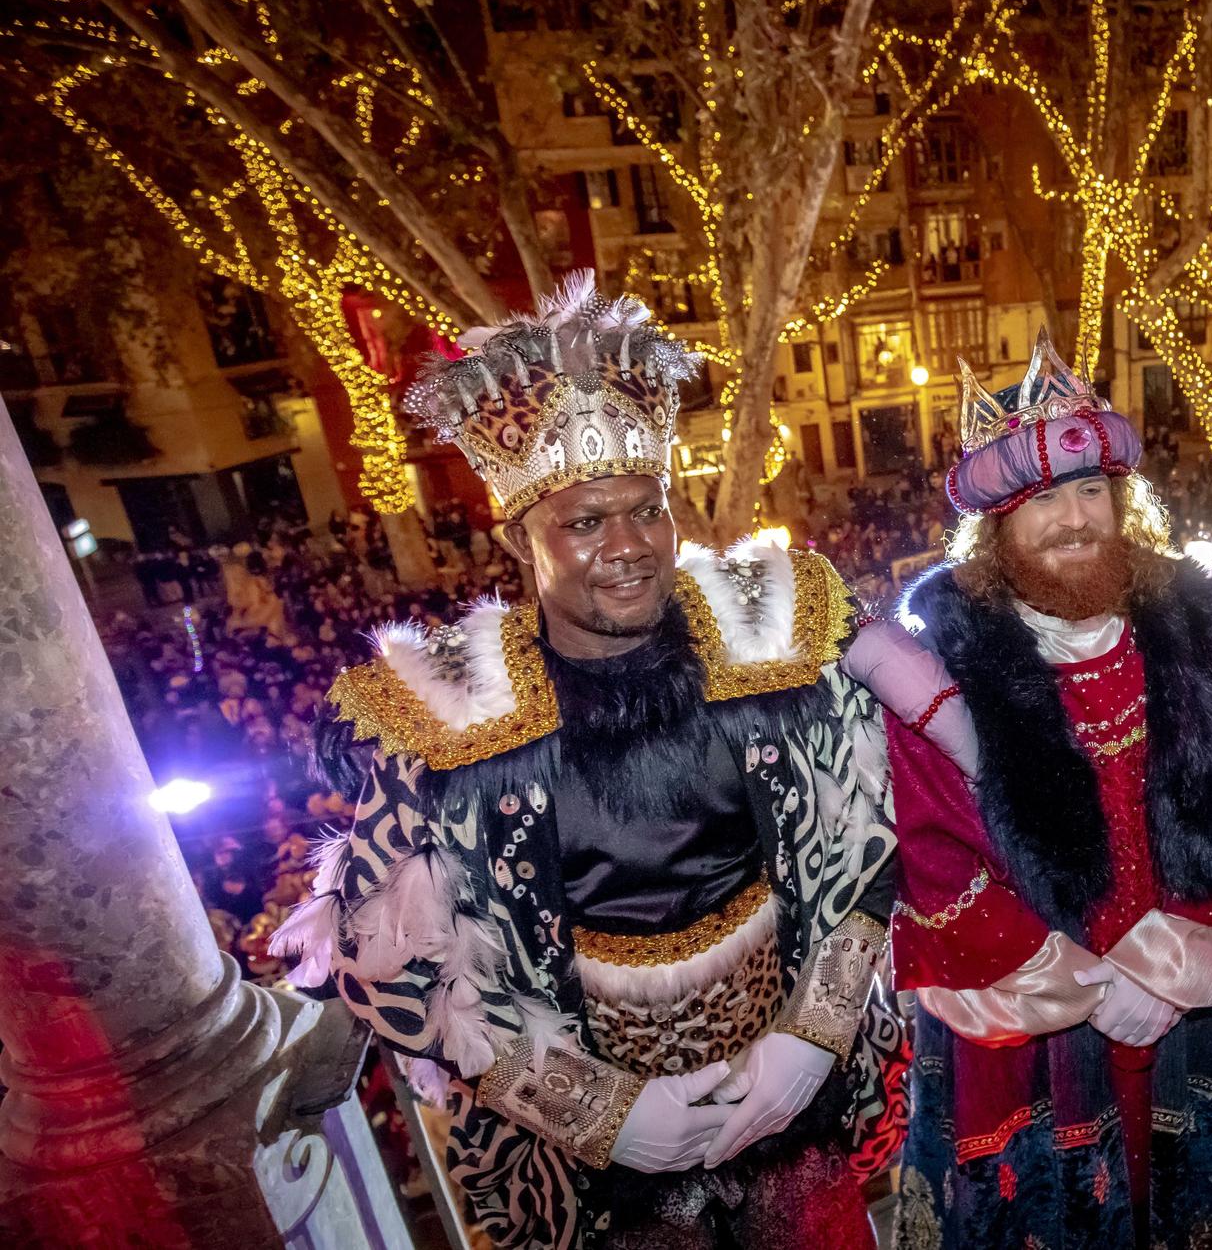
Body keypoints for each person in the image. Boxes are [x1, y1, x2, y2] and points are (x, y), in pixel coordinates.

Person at [273, 273, 902, 1248]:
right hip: (602, 1184)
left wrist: (807, 1045)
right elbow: (383, 961)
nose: (629, 546)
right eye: (583, 520)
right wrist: (603, 1114)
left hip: (786, 1123)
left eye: (645, 509)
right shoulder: (451, 718)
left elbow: (866, 845)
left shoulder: (765, 646)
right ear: (519, 534)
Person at [846, 331, 1212, 1248]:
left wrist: (1168, 967)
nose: (1075, 518)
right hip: (1029, 1029)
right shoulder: (946, 660)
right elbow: (938, 854)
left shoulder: (1183, 627)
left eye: (1089, 489)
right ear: (993, 525)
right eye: (1043, 499)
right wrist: (1086, 987)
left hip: (1175, 1004)